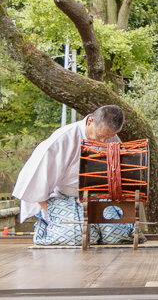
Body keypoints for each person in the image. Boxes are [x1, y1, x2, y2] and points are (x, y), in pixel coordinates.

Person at [13, 105, 138, 245]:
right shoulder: (62, 140)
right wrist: (53, 212)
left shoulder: (112, 139)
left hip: (97, 197)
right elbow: (36, 185)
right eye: (101, 136)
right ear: (90, 121)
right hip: (62, 198)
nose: (104, 141)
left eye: (108, 137)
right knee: (78, 235)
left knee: (117, 235)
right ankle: (46, 228)